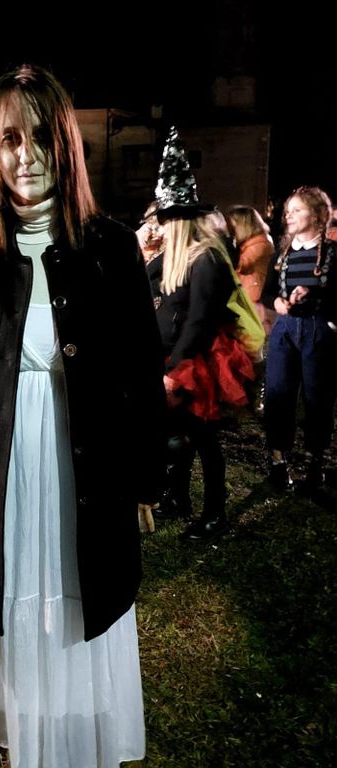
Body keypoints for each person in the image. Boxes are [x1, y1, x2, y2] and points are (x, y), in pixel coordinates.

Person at [0, 64, 167, 768]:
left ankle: (73, 731)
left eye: (40, 137)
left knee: (81, 590)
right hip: (0, 476)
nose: (26, 156)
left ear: (65, 143)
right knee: (15, 595)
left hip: (87, 466)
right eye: (9, 140)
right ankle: (29, 728)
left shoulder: (112, 248)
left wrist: (146, 476)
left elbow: (141, 371)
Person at [146, 126, 254, 541]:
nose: (159, 227)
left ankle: (215, 514)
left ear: (179, 222)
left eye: (164, 221)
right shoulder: (172, 257)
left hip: (197, 362)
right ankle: (177, 497)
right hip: (172, 357)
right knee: (175, 436)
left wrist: (174, 371)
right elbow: (142, 282)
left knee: (204, 439)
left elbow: (200, 320)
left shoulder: (206, 258)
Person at [261, 186, 337, 493]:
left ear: (317, 215)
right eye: (287, 211)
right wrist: (277, 303)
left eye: (297, 210)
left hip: (318, 331)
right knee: (278, 393)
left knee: (317, 398)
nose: (289, 216)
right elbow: (267, 292)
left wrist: (317, 297)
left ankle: (316, 462)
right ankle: (278, 461)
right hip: (285, 331)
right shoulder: (282, 254)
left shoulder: (332, 253)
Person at [225, 205, 275, 334]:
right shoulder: (249, 243)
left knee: (256, 338)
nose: (230, 229)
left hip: (254, 300)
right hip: (248, 298)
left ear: (243, 225)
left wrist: (228, 243)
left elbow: (241, 265)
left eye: (233, 225)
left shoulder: (260, 244)